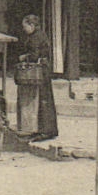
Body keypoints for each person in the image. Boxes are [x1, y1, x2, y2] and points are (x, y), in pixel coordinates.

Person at [15, 14, 58, 142]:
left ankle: (44, 130)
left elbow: (34, 55)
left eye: (25, 26)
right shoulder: (40, 35)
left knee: (41, 100)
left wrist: (24, 57)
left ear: (32, 25)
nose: (24, 29)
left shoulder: (35, 37)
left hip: (39, 72)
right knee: (45, 100)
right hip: (44, 71)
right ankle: (47, 129)